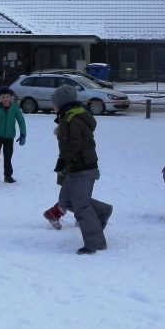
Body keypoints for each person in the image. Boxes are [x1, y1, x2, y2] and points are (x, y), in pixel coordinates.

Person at [52, 84, 112, 254]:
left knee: (81, 206)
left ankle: (95, 243)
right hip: (75, 166)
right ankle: (102, 211)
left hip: (83, 167)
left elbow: (74, 144)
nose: (53, 105)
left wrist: (62, 161)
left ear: (62, 103)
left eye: (54, 102)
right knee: (65, 200)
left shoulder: (71, 119)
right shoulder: (68, 117)